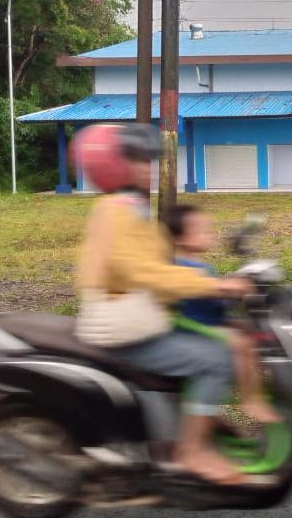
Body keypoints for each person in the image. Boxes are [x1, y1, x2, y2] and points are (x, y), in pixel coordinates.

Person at [72, 123, 253, 486]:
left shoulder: (130, 207)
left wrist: (210, 282)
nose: (147, 167)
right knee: (215, 359)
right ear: (110, 164)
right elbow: (144, 272)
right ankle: (191, 452)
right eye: (136, 159)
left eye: (147, 160)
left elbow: (161, 267)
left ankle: (201, 424)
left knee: (221, 340)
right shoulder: (116, 211)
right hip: (125, 329)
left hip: (141, 317)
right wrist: (212, 286)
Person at [165, 204, 282, 425]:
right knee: (242, 344)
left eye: (209, 229)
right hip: (195, 326)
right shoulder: (183, 267)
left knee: (254, 332)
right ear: (178, 239)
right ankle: (250, 399)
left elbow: (216, 297)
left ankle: (259, 385)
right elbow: (210, 295)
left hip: (211, 319)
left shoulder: (199, 265)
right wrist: (232, 292)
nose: (210, 234)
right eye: (201, 231)